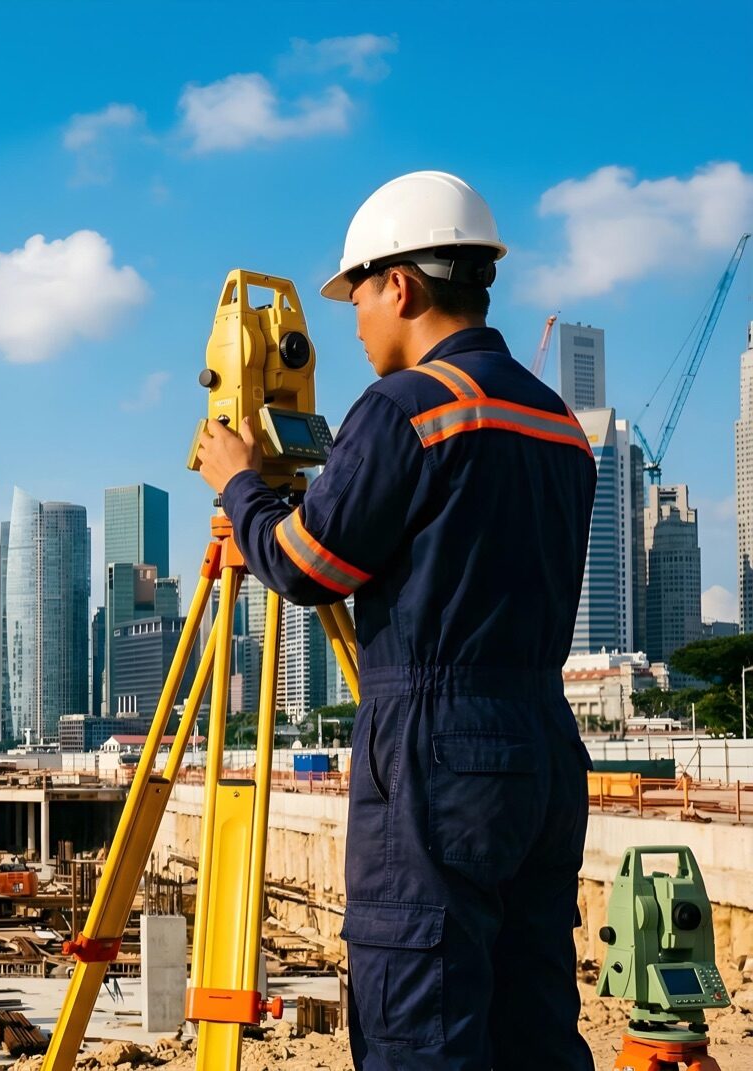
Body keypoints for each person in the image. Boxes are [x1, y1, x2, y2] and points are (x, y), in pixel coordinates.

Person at [192, 171, 596, 1070]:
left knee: (423, 1024)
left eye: (360, 297)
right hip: (540, 745)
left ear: (401, 286)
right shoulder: (559, 423)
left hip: (434, 749)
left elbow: (305, 564)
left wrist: (239, 482)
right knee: (530, 1018)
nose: (358, 322)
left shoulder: (406, 406)